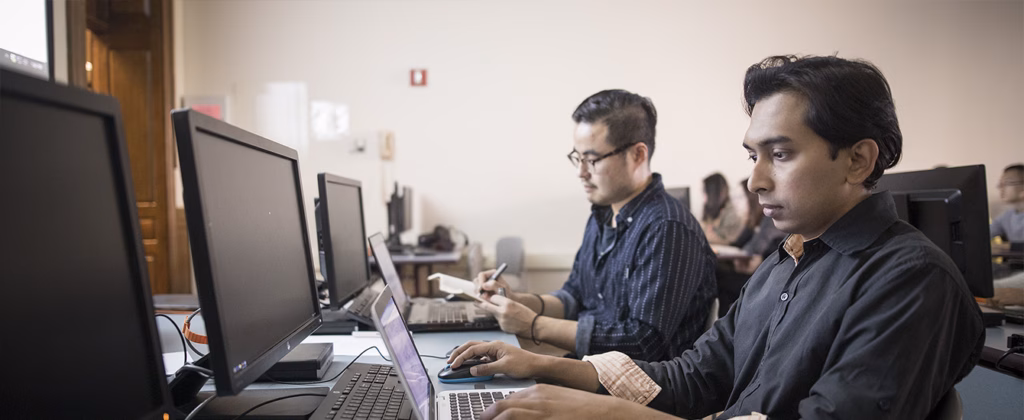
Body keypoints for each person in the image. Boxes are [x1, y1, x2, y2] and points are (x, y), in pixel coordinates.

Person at [450, 55, 984, 419]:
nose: (755, 180)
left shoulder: (910, 281)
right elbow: (698, 373)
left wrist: (607, 411)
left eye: (780, 154)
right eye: (754, 156)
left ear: (858, 160)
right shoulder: (789, 259)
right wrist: (545, 365)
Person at [473, 89, 717, 362]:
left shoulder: (667, 228)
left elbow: (644, 343)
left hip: (637, 390)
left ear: (637, 155)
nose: (581, 172)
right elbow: (574, 297)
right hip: (591, 370)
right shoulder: (602, 215)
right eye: (578, 158)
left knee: (506, 394)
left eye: (592, 160)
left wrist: (532, 325)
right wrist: (516, 300)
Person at [700, 173, 744, 245]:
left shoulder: (732, 212)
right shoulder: (709, 211)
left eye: (705, 191)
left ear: (713, 193)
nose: (704, 197)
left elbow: (730, 241)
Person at [991, 163, 1024, 242]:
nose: (1001, 188)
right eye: (1000, 184)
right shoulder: (1007, 216)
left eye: (1006, 183)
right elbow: (984, 233)